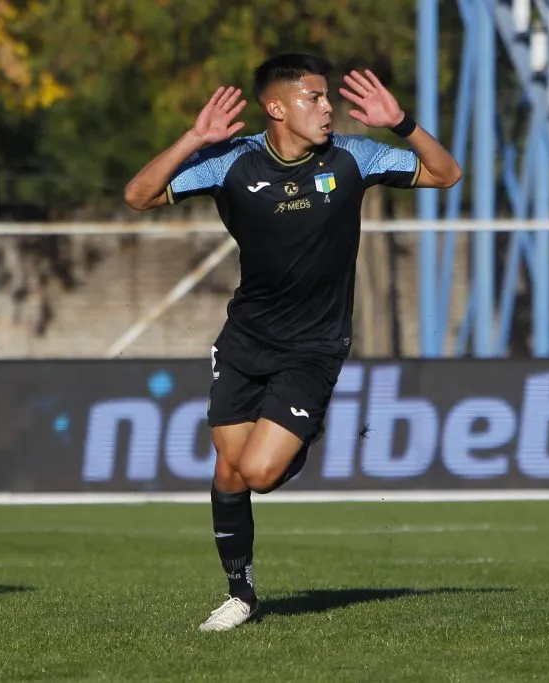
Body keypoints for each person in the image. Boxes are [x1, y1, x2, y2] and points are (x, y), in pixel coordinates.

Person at [124, 54, 461, 631]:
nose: (327, 108)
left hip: (313, 348)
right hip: (244, 341)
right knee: (228, 472)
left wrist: (401, 123)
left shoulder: (353, 156)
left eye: (327, 97)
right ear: (277, 108)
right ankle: (241, 596)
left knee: (258, 473)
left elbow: (445, 174)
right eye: (314, 97)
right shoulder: (231, 160)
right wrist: (194, 139)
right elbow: (139, 195)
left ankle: (303, 430)